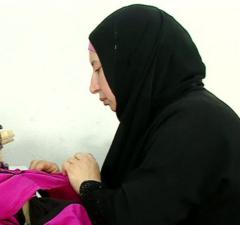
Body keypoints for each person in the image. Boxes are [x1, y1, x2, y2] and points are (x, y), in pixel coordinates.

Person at [30, 4, 240, 225]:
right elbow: (138, 197)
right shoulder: (168, 115)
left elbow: (135, 217)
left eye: (99, 69)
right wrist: (61, 186)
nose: (93, 86)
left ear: (133, 63)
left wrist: (89, 185)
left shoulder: (195, 125)